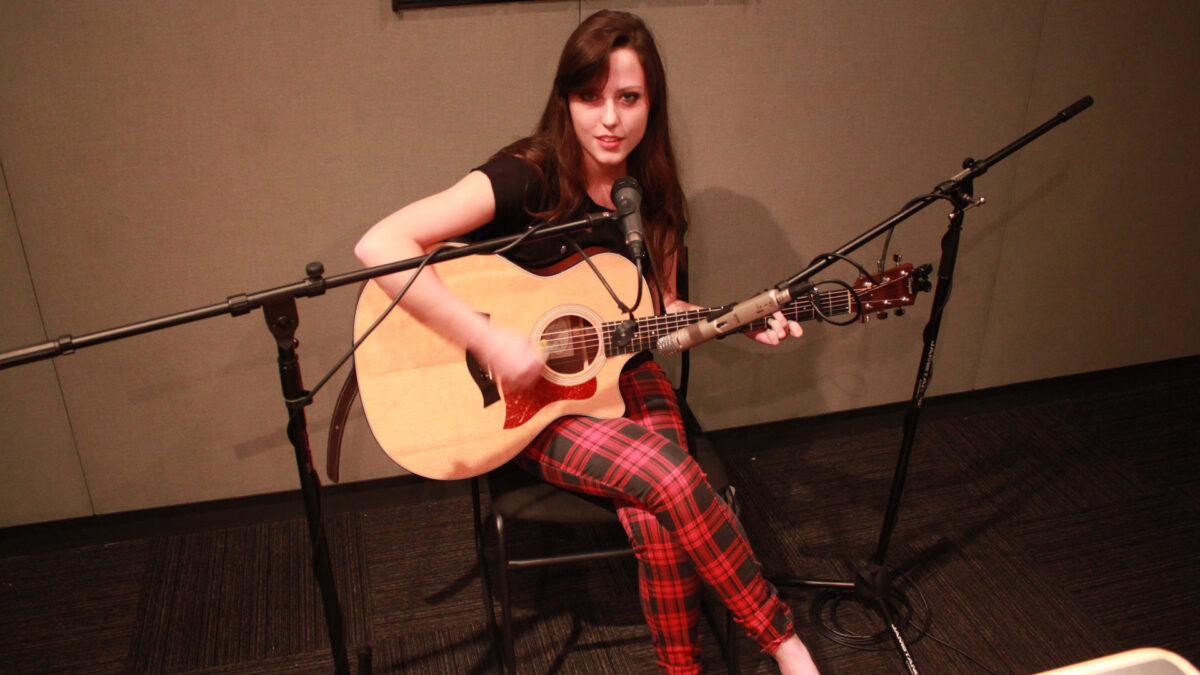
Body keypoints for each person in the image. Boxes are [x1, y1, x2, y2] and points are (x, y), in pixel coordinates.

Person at [355, 10, 818, 675]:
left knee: (662, 508)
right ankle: (784, 643)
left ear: (650, 104)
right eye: (589, 97)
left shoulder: (649, 195)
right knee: (671, 476)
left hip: (620, 373)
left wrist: (736, 318)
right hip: (528, 403)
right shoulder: (528, 175)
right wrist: (485, 339)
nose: (609, 118)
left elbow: (659, 310)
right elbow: (380, 245)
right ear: (564, 99)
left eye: (628, 98)